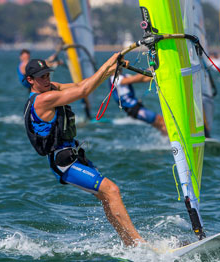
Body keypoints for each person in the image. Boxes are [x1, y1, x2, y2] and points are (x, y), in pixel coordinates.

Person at [23, 54, 144, 246]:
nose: (46, 79)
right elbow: (84, 91)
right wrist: (110, 60)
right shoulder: (43, 100)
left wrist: (111, 70)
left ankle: (128, 243)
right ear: (30, 80)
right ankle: (141, 244)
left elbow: (83, 83)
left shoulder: (52, 87)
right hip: (63, 163)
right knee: (112, 190)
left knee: (107, 196)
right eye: (41, 77)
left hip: (74, 155)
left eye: (47, 74)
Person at [110, 69, 167, 135]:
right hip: (133, 109)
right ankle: (170, 140)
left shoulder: (125, 76)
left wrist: (156, 76)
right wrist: (149, 69)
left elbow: (143, 79)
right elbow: (134, 79)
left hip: (136, 107)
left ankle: (167, 140)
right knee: (161, 120)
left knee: (159, 124)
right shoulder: (114, 79)